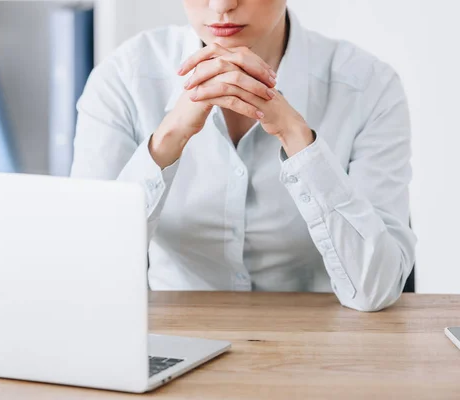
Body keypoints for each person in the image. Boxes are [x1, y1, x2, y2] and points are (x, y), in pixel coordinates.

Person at [70, 0, 416, 312]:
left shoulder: (368, 86)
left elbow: (376, 289)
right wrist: (169, 138)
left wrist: (296, 136)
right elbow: (85, 271)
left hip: (323, 343)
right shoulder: (124, 78)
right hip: (174, 337)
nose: (221, 5)